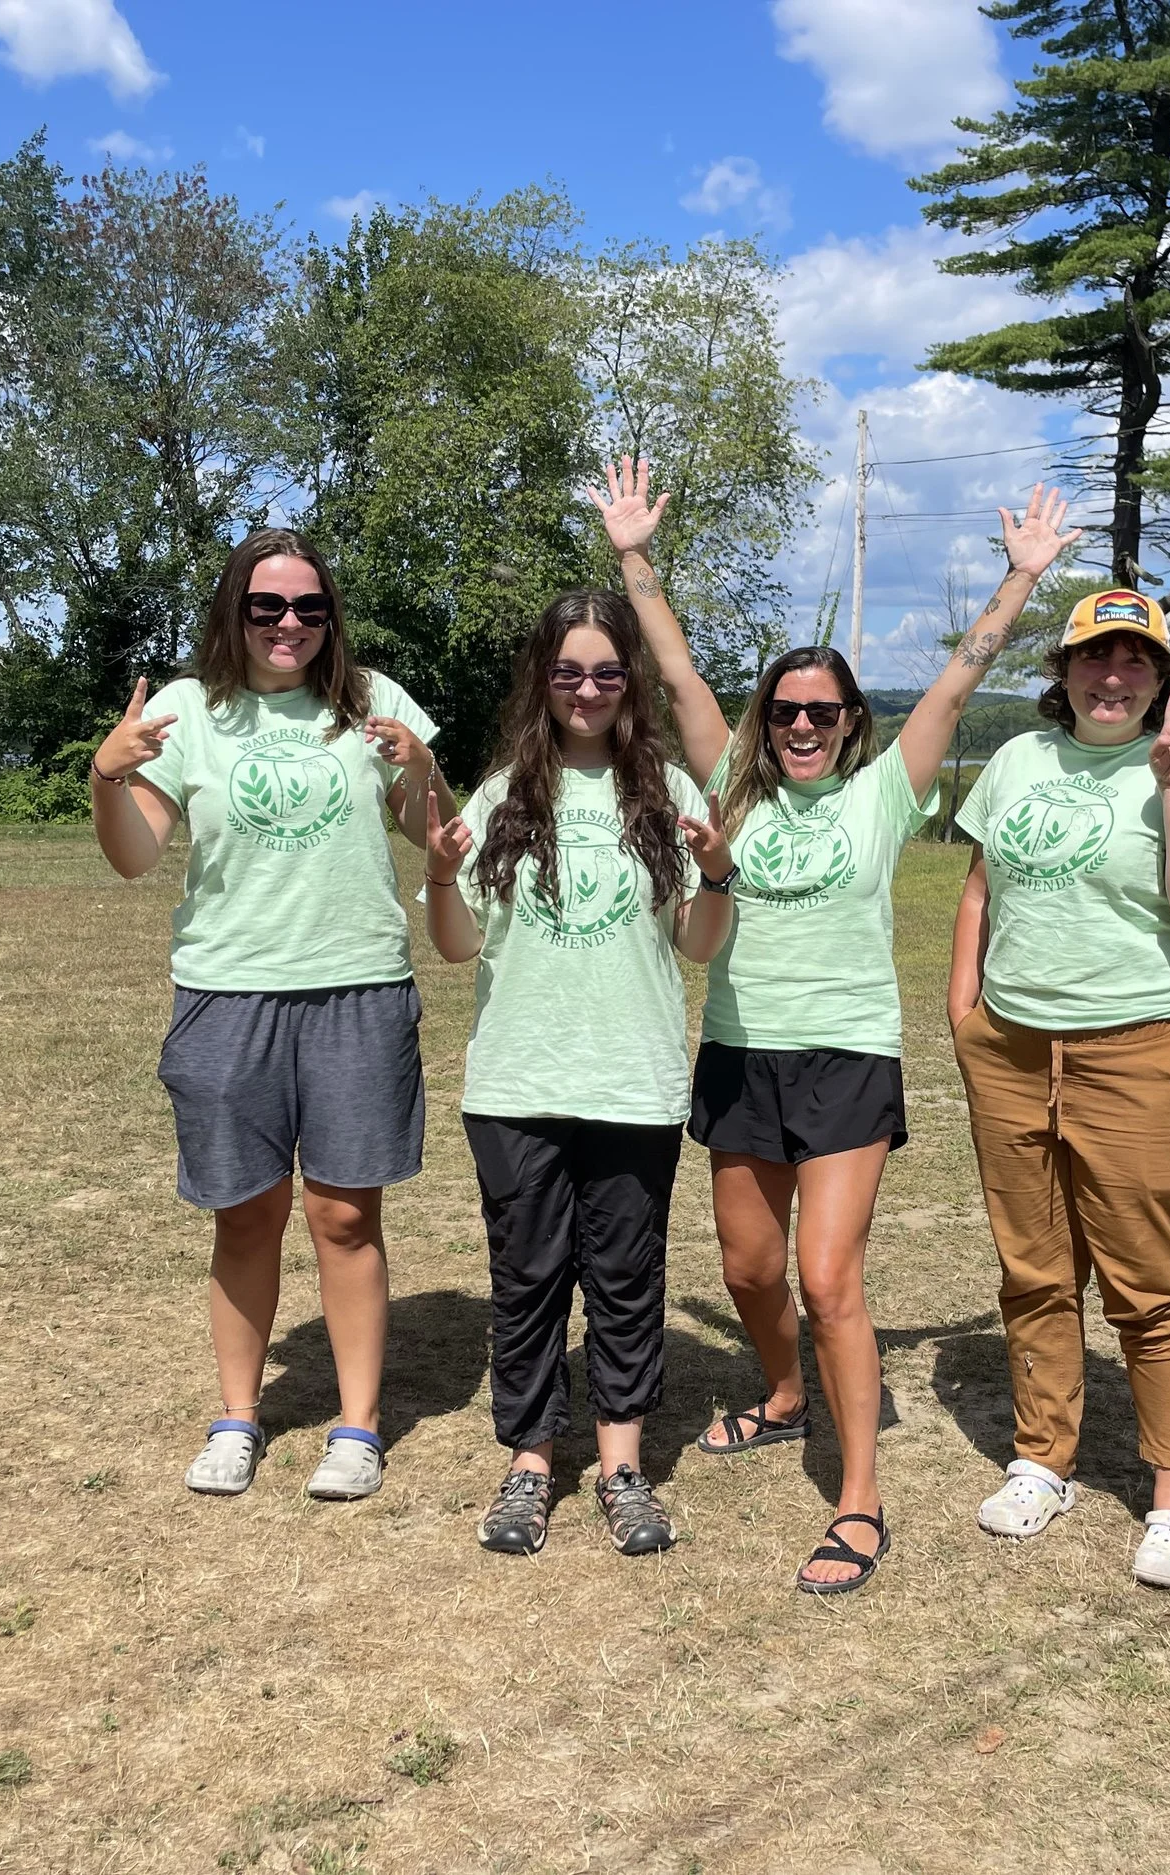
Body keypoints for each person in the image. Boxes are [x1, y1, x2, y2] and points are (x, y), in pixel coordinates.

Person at [594, 456, 1083, 1594]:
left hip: (847, 1055)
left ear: (852, 721)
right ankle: (779, 1394)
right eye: (787, 710)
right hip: (739, 1054)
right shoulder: (731, 782)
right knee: (749, 1269)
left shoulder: (884, 793)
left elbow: (958, 686)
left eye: (823, 711)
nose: (802, 725)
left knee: (828, 1280)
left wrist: (1017, 585)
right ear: (767, 722)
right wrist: (633, 557)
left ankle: (860, 1498)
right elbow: (672, 672)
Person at [89, 529, 446, 1505]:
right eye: (266, 607)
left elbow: (433, 831)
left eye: (308, 608)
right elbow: (133, 857)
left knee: (344, 1214)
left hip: (356, 989)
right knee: (245, 1217)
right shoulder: (185, 711)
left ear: (330, 618)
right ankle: (237, 1420)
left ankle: (357, 1429)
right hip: (227, 992)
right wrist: (105, 776)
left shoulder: (374, 703)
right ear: (233, 613)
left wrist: (421, 766)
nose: (288, 625)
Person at [422, 590, 735, 1559]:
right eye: (568, 672)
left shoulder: (673, 794)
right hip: (517, 1084)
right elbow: (456, 945)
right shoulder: (505, 795)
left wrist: (718, 875)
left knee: (626, 1281)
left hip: (631, 1082)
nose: (587, 689)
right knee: (527, 1283)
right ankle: (528, 1466)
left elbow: (696, 945)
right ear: (542, 680)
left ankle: (622, 1467)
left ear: (627, 682)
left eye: (605, 672)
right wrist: (438, 877)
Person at [946, 589, 1170, 1590]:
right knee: (1034, 1269)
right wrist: (965, 1013)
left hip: (1142, 1049)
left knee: (1147, 1283)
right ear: (1063, 670)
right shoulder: (1019, 761)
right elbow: (980, 887)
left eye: (1133, 662)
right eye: (1093, 658)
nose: (1110, 678)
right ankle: (1043, 1458)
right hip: (1014, 1047)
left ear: (1160, 678)